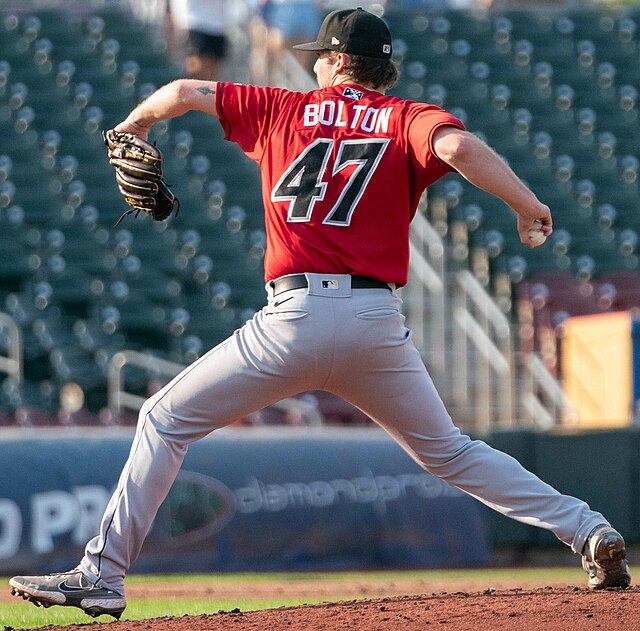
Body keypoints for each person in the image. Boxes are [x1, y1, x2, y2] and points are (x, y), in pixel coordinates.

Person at [9, 7, 631, 620]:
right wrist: (528, 205)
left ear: (334, 62)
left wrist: (134, 125)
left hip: (294, 317)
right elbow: (460, 146)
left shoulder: (282, 107)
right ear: (381, 70)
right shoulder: (403, 116)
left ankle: (103, 576)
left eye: (320, 58)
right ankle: (588, 530)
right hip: (374, 324)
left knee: (164, 420)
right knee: (451, 453)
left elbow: (179, 90)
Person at [166, 0, 230, 81]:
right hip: (196, 23)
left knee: (214, 71)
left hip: (219, 26)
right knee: (198, 67)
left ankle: (211, 93)